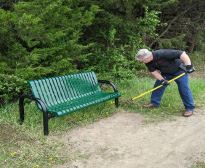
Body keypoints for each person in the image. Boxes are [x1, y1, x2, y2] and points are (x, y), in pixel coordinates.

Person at [135, 49, 195, 117]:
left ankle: (189, 108)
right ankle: (154, 103)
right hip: (165, 74)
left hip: (180, 71)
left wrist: (188, 66)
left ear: (147, 58)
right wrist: (162, 80)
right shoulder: (148, 62)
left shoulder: (163, 53)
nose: (142, 62)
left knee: (183, 89)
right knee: (158, 86)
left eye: (142, 61)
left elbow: (182, 54)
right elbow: (154, 72)